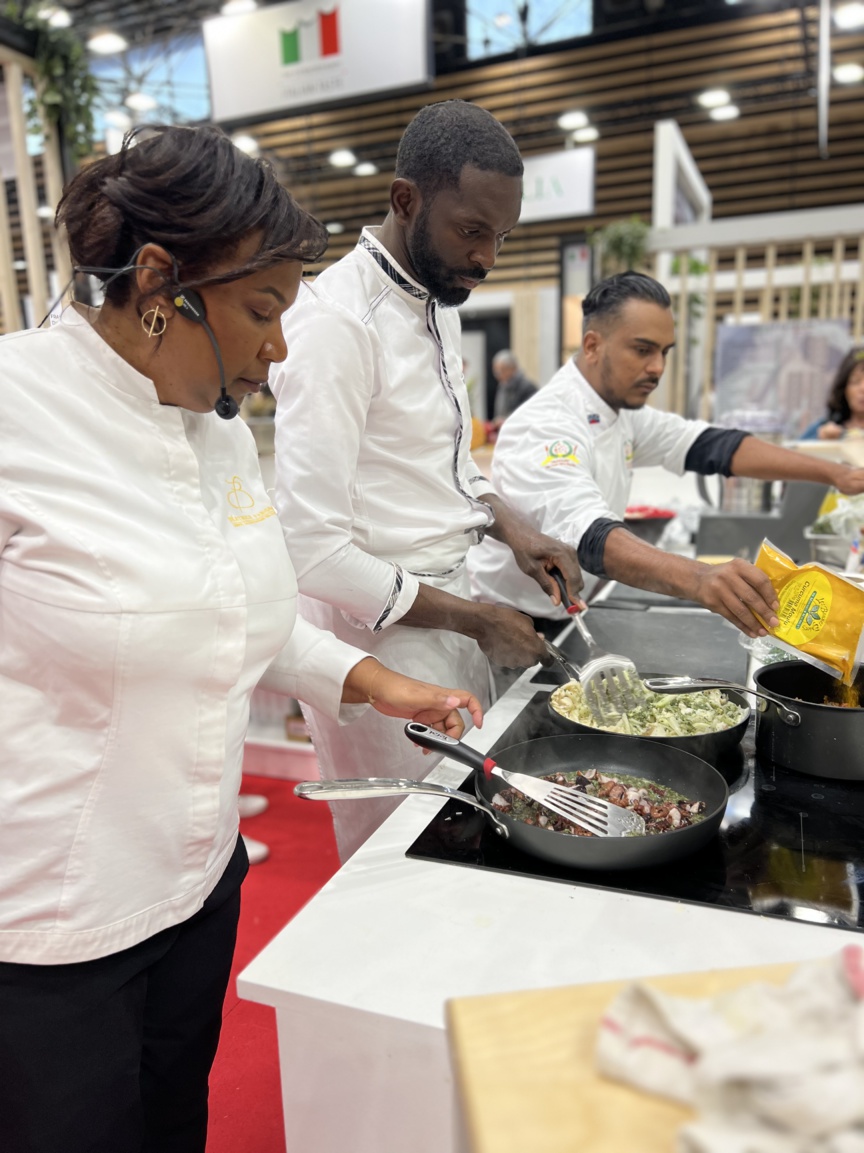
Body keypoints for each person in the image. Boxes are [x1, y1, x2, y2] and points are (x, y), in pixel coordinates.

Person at [0, 124, 485, 1153]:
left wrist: (370, 679)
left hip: (199, 883)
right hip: (48, 923)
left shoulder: (215, 427)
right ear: (158, 281)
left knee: (177, 1120)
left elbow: (241, 615)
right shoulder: (18, 415)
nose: (278, 350)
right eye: (261, 312)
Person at [269, 100, 583, 862]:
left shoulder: (437, 299)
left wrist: (512, 525)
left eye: (501, 238)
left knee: (470, 838)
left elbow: (447, 469)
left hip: (449, 604)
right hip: (376, 639)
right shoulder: (337, 324)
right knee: (404, 858)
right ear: (405, 200)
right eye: (472, 231)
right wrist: (474, 619)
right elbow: (312, 547)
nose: (487, 258)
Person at [469, 271, 864, 636]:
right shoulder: (546, 424)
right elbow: (589, 535)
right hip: (514, 626)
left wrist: (836, 474)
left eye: (664, 352)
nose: (657, 367)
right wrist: (700, 579)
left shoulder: (618, 412)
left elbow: (712, 446)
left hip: (568, 613)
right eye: (643, 350)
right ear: (592, 345)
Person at [800, 347, 864, 440]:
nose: (862, 389)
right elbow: (794, 451)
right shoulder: (824, 428)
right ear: (844, 388)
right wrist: (822, 440)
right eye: (855, 382)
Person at [490, 348, 537, 430]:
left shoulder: (528, 388)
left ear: (512, 368)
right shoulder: (503, 385)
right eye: (496, 371)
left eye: (501, 371)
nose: (497, 375)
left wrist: (505, 421)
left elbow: (529, 414)